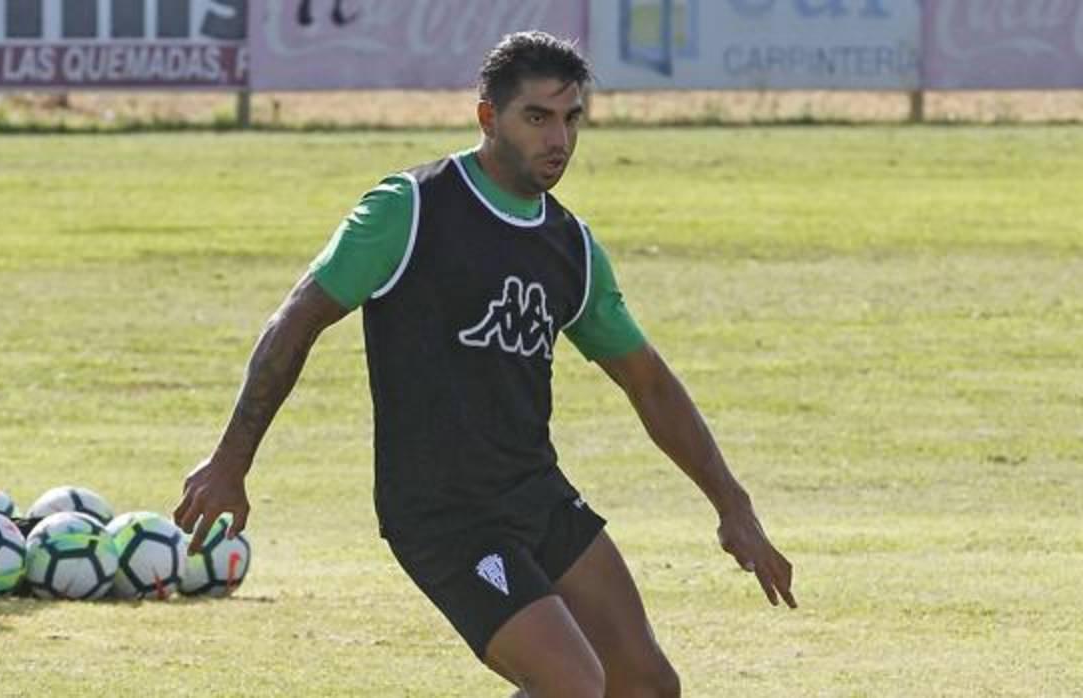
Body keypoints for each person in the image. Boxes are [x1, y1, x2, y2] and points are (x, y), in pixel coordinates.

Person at [174, 31, 796, 698]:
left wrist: (734, 506)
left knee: (645, 686)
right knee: (573, 684)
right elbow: (294, 324)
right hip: (442, 511)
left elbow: (648, 381)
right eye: (537, 117)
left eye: (571, 118)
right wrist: (232, 460)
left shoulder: (571, 248)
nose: (558, 139)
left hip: (536, 494)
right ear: (487, 117)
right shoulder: (409, 210)